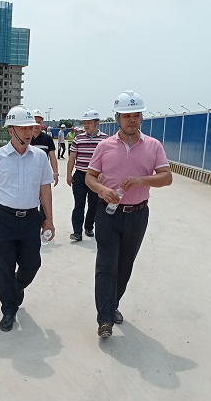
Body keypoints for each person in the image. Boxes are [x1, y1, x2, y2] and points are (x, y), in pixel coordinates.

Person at [85, 90, 172, 338]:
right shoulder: (104, 146)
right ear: (118, 118)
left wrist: (141, 180)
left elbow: (166, 177)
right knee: (106, 265)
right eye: (126, 115)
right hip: (108, 214)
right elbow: (90, 177)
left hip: (137, 215)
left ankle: (112, 305)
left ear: (141, 117)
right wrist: (103, 190)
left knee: (124, 265)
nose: (132, 120)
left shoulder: (153, 146)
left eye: (136, 115)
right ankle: (104, 319)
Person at [0, 105, 55, 332]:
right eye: (23, 128)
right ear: (11, 130)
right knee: (4, 267)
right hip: (3, 219)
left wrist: (49, 219)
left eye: (31, 128)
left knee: (32, 264)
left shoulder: (39, 157)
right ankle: (9, 309)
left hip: (31, 218)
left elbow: (45, 189)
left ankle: (16, 287)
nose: (30, 132)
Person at [66, 110, 107, 241]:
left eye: (89, 123)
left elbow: (108, 160)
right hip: (79, 176)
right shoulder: (78, 139)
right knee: (79, 205)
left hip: (95, 178)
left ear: (97, 123)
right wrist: (69, 175)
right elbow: (72, 158)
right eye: (84, 123)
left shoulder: (105, 139)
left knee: (94, 204)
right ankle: (77, 232)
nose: (86, 125)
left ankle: (89, 227)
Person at [30, 109, 59, 219]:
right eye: (35, 122)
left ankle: (44, 223)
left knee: (44, 201)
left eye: (39, 122)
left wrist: (55, 173)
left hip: (42, 175)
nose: (37, 125)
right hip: (28, 175)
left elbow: (52, 157)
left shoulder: (47, 139)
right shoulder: (25, 138)